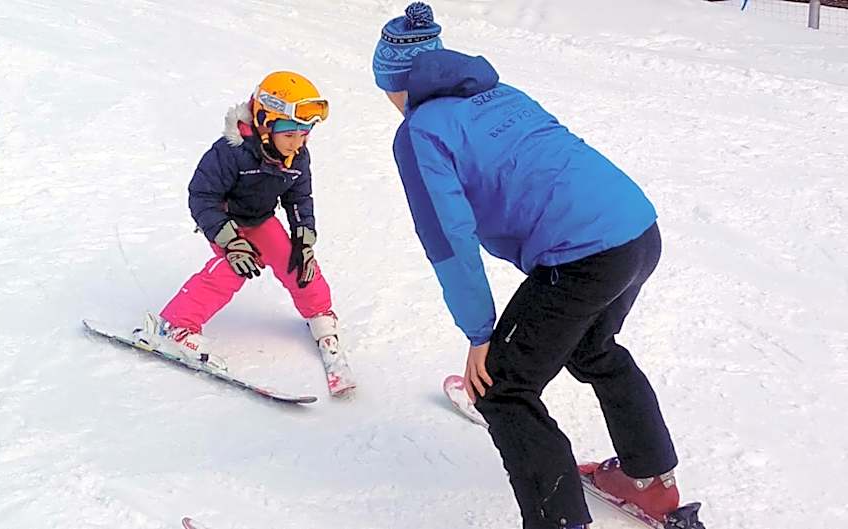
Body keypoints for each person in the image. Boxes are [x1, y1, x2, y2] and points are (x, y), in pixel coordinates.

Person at [373, 3, 683, 528]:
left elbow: (448, 241)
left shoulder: (420, 130)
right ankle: (649, 482)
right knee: (593, 346)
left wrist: (480, 334)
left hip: (583, 256)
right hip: (637, 230)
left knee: (501, 388)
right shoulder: (503, 94)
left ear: (396, 83)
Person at [135, 71, 341, 369]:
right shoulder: (230, 152)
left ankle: (320, 313)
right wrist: (231, 242)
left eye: (304, 134)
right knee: (233, 269)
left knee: (295, 261)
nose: (297, 143)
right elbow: (201, 196)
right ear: (266, 125)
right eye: (290, 134)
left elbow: (298, 197)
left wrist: (304, 239)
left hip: (261, 219)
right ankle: (175, 325)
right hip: (225, 223)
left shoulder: (297, 156)